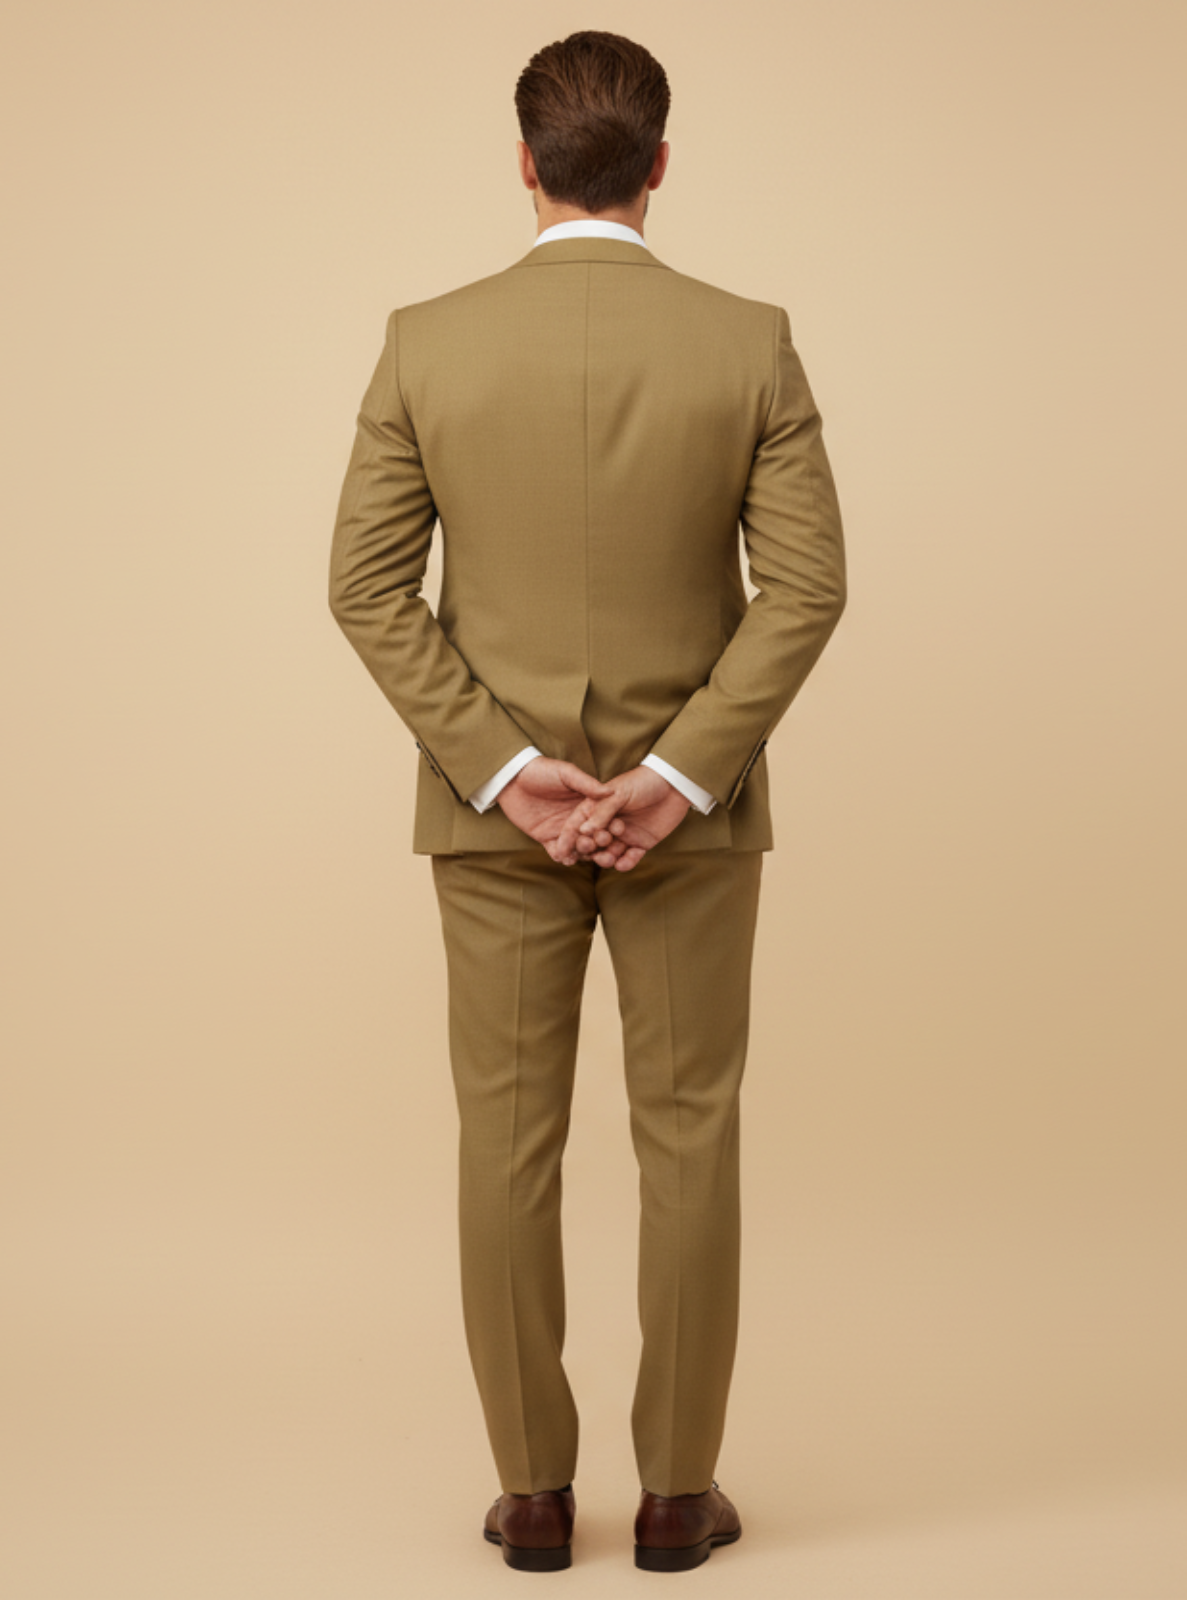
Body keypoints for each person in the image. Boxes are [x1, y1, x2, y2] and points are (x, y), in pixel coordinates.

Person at [328, 28, 846, 1574]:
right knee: (689, 1137)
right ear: (660, 165)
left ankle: (535, 1500)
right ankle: (678, 1500)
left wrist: (500, 765)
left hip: (496, 826)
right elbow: (806, 591)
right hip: (694, 825)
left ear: (525, 162)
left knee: (504, 1145)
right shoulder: (747, 340)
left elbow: (363, 589)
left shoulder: (426, 341)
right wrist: (682, 775)